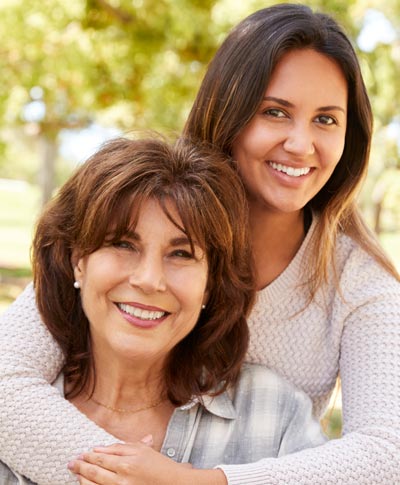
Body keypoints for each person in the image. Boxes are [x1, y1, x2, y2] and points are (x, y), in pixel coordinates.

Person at [0, 3, 399, 484]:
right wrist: (125, 475)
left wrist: (197, 482)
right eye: (275, 112)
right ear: (228, 112)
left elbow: (386, 453)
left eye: (326, 120)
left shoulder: (358, 284)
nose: (300, 143)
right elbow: (5, 385)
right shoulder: (140, 215)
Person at [0, 136, 325, 485]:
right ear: (78, 261)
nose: (149, 280)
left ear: (211, 284)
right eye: (123, 244)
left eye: (181, 254)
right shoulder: (13, 409)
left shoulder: (272, 412)